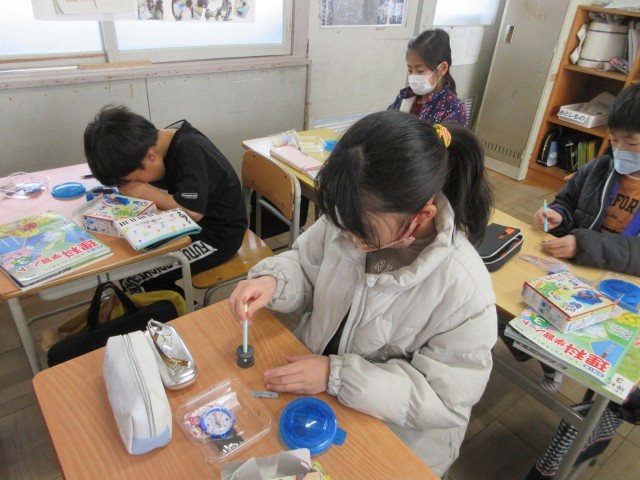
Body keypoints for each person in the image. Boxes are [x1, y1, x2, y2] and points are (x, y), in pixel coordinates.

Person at [228, 110, 496, 476]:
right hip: (319, 395)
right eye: (344, 222)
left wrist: (336, 376)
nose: (349, 238)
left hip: (396, 437)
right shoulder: (352, 217)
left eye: (363, 231)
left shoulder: (465, 292)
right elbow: (307, 265)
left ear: (421, 216)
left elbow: (441, 400)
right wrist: (273, 282)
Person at [526, 83, 640, 391]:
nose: (620, 149)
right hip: (579, 276)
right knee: (533, 312)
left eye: (631, 142)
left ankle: (593, 407)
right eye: (614, 139)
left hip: (627, 294)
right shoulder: (599, 169)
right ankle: (550, 362)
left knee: (611, 365)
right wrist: (558, 216)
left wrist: (583, 244)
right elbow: (568, 202)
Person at [84, 105, 247, 297]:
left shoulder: (190, 149)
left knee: (135, 278)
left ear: (150, 157)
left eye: (132, 179)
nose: (133, 185)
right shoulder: (162, 141)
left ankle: (179, 313)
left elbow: (192, 211)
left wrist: (143, 191)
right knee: (131, 262)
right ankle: (173, 307)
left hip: (218, 236)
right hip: (190, 226)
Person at [388, 29, 468, 127]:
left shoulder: (453, 108)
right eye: (410, 70)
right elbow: (387, 123)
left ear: (442, 68)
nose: (413, 77)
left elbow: (451, 136)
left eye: (420, 71)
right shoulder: (405, 96)